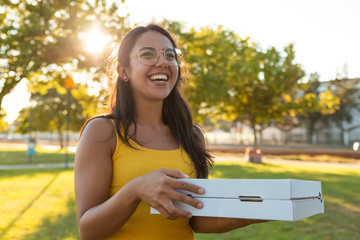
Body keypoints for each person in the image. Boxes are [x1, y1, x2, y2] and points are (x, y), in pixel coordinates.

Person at [74, 24, 266, 240]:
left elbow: (197, 216)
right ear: (123, 71)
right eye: (147, 54)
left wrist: (263, 210)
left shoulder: (192, 135)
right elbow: (88, 231)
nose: (163, 62)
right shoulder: (101, 132)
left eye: (170, 55)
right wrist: (136, 189)